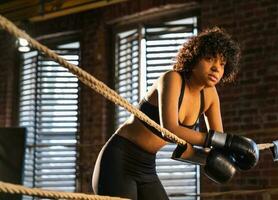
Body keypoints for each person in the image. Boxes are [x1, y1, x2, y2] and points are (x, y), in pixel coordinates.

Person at [92, 27, 257, 200]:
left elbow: (215, 146)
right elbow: (169, 129)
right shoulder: (172, 79)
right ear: (194, 58)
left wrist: (226, 157)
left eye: (222, 64)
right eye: (210, 59)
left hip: (147, 166)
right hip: (119, 159)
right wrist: (227, 141)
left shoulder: (210, 95)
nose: (216, 68)